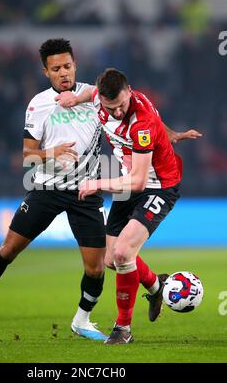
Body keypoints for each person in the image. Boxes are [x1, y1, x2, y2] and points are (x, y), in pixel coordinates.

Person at [0, 40, 200, 341]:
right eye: (56, 68)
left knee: (100, 266)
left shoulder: (97, 97)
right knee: (8, 249)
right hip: (46, 189)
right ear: (45, 71)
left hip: (85, 195)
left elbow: (146, 115)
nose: (63, 73)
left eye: (67, 66)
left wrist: (171, 134)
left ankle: (82, 321)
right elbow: (27, 156)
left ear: (75, 64)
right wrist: (51, 153)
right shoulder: (38, 105)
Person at [56, 68, 202, 344]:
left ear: (130, 91)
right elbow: (90, 93)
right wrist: (75, 99)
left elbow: (137, 181)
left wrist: (96, 184)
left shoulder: (140, 123)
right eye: (112, 107)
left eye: (122, 105)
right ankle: (156, 286)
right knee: (110, 260)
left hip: (157, 187)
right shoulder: (100, 98)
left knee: (123, 253)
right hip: (128, 180)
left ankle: (123, 329)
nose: (118, 111)